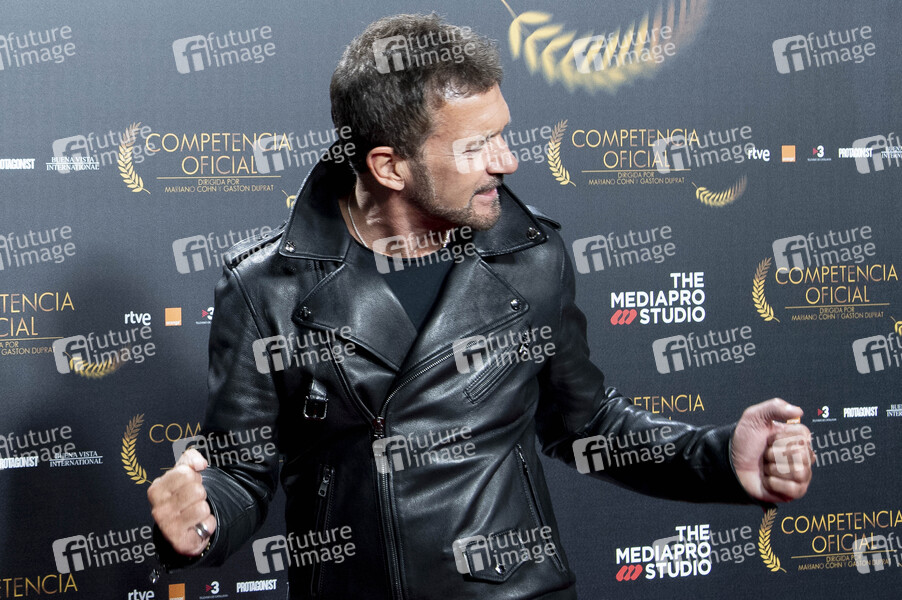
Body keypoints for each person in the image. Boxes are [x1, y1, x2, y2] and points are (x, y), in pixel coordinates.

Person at [148, 13, 813, 599]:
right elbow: (240, 472)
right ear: (389, 166)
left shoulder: (532, 256)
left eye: (503, 134)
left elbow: (588, 426)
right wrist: (200, 520)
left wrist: (720, 458)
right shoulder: (266, 285)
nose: (509, 161)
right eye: (476, 146)